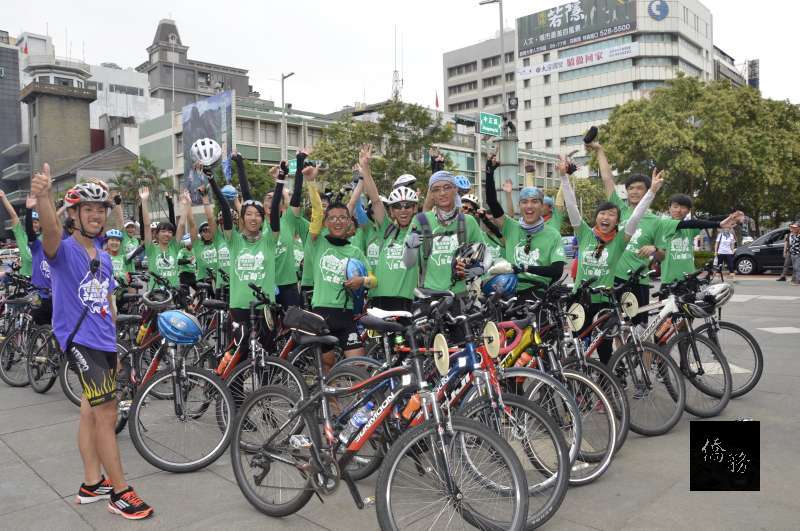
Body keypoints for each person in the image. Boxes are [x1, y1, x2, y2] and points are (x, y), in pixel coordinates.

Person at [30, 163, 153, 520]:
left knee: (89, 410)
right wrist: (43, 197)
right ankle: (120, 492)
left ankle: (91, 483)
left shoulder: (103, 256)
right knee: (107, 412)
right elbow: (49, 230)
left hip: (103, 341)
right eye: (89, 209)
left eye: (101, 209)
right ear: (74, 214)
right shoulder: (64, 250)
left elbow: (108, 304)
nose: (97, 215)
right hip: (79, 340)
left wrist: (114, 337)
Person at [560, 157, 664, 365]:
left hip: (604, 302)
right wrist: (563, 177)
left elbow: (635, 217)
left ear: (617, 221)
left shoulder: (619, 242)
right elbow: (571, 205)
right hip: (579, 299)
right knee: (577, 345)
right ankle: (578, 381)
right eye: (602, 214)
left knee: (605, 347)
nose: (606, 217)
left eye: (611, 215)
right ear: (596, 217)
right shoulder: (584, 234)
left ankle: (610, 379)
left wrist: (651, 191)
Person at [207, 151, 282, 361]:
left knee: (267, 354)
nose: (253, 217)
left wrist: (280, 181)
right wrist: (212, 179)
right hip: (239, 306)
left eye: (257, 214)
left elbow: (275, 208)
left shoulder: (269, 239)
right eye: (248, 213)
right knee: (239, 354)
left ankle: (265, 393)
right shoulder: (234, 240)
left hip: (265, 306)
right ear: (241, 217)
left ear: (262, 219)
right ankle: (233, 393)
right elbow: (224, 205)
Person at [306, 147, 375, 371]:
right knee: (327, 366)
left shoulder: (354, 250)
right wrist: (310, 183)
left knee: (359, 366)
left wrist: (362, 282)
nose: (337, 222)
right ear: (326, 222)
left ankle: (360, 406)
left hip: (347, 316)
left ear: (348, 222)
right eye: (332, 218)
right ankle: (332, 407)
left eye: (342, 218)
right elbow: (317, 211)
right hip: (321, 313)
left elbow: (374, 280)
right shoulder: (317, 242)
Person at [592, 140, 664, 325]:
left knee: (640, 330)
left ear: (648, 191)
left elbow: (663, 254)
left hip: (638, 281)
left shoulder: (656, 221)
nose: (634, 191)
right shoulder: (618, 210)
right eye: (631, 188)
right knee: (617, 327)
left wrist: (654, 249)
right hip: (614, 278)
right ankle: (621, 355)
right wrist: (600, 150)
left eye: (639, 188)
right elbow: (608, 179)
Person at [484, 154, 565, 299]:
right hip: (509, 289)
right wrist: (489, 172)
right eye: (524, 202)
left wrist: (525, 268)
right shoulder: (510, 226)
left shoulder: (553, 234)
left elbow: (557, 271)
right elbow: (492, 202)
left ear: (542, 206)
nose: (529, 206)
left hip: (538, 293)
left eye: (534, 201)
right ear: (519, 205)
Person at [403, 170, 486, 295]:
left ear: (455, 190)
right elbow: (408, 263)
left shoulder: (468, 221)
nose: (442, 193)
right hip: (429, 297)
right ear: (431, 195)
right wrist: (410, 247)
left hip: (460, 297)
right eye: (436, 189)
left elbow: (484, 259)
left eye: (447, 187)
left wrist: (471, 270)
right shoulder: (420, 220)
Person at [656, 194, 743, 284]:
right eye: (675, 207)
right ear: (669, 208)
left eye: (683, 207)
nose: (678, 210)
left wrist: (730, 216)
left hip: (689, 278)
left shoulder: (689, 229)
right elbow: (692, 223)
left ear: (688, 211)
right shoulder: (666, 223)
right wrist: (718, 224)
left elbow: (706, 220)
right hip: (670, 280)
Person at [262, 151, 308, 309]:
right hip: (265, 284)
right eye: (267, 198)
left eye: (273, 198)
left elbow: (296, 196)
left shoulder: (287, 221)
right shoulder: (256, 225)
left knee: (293, 328)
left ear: (281, 206)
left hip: (288, 285)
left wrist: (300, 161)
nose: (270, 201)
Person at [140, 188, 185, 288]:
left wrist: (185, 206)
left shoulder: (174, 247)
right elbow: (147, 225)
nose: (167, 234)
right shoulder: (151, 249)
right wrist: (144, 201)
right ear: (156, 234)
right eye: (163, 231)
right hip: (155, 295)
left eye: (170, 232)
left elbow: (181, 225)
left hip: (173, 294)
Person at [1, 190, 33, 278]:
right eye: (32, 222)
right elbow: (14, 215)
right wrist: (3, 197)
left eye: (37, 222)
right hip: (24, 281)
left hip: (41, 283)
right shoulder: (22, 236)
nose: (34, 225)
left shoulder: (44, 239)